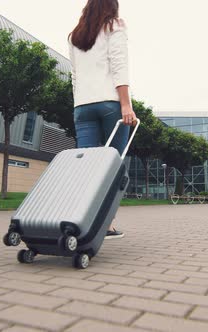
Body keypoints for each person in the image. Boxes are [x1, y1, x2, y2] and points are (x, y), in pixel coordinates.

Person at [69, 0, 136, 239]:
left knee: (86, 168)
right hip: (110, 104)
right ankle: (106, 225)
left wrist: (78, 104)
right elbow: (120, 65)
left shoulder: (75, 36)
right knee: (113, 167)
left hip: (82, 107)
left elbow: (74, 76)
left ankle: (81, 220)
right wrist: (126, 104)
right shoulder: (114, 26)